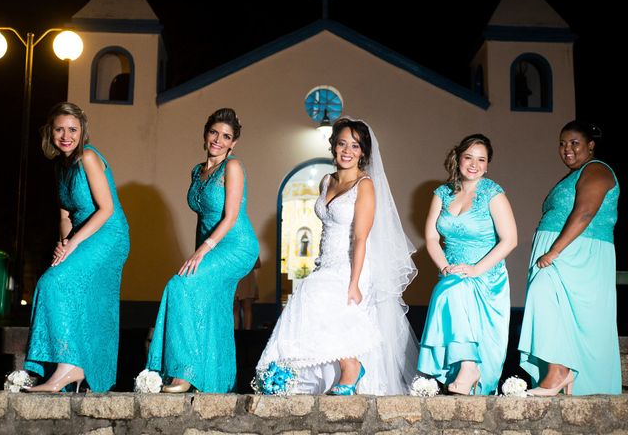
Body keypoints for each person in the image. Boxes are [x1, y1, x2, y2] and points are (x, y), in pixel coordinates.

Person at [257, 118, 418, 396]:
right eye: (342, 143)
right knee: (308, 303)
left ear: (363, 152)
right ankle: (287, 374)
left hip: (352, 265)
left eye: (354, 145)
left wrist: (355, 282)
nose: (347, 150)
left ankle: (351, 367)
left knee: (315, 298)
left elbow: (360, 237)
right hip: (326, 263)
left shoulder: (364, 185)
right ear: (334, 146)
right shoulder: (325, 181)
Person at [147, 108, 259, 393]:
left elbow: (231, 216)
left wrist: (203, 252)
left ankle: (183, 373)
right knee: (214, 307)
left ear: (233, 143)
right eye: (214, 133)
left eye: (226, 136)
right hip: (211, 246)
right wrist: (199, 249)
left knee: (180, 285)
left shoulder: (232, 167)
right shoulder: (197, 171)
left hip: (237, 245)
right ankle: (214, 382)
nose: (218, 140)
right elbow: (202, 220)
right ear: (205, 134)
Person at [24, 102, 130, 392]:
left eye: (72, 129)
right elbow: (64, 215)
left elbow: (106, 209)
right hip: (80, 235)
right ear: (50, 132)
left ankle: (70, 366)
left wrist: (72, 244)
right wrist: (62, 244)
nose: (66, 135)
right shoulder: (61, 165)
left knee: (54, 283)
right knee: (53, 282)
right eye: (60, 129)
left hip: (108, 235)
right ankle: (71, 366)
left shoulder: (89, 157)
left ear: (82, 132)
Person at [518, 121, 621, 395]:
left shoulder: (596, 170)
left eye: (574, 143)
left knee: (546, 295)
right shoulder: (573, 175)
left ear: (591, 145)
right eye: (562, 143)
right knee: (556, 311)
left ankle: (560, 371)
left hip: (579, 255)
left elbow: (585, 212)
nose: (567, 149)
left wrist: (554, 250)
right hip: (566, 252)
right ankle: (561, 374)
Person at [417, 134, 517, 395]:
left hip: (486, 275)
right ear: (458, 158)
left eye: (481, 160)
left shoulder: (493, 194)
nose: (474, 164)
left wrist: (475, 270)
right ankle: (466, 366)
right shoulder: (442, 194)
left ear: (487, 165)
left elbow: (510, 240)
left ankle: (471, 366)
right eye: (469, 157)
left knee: (454, 289)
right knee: (449, 288)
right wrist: (444, 267)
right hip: (453, 272)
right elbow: (430, 237)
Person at [234, 257, 261, 329]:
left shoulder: (251, 247)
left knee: (247, 307)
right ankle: (235, 333)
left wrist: (244, 264)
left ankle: (247, 332)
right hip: (235, 278)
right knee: (235, 308)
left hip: (247, 279)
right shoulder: (231, 247)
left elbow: (258, 264)